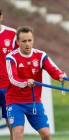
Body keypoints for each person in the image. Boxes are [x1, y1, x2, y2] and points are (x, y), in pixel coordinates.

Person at [5, 26, 66, 140]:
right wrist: (25, 83)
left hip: (34, 101)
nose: (27, 44)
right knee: (17, 134)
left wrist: (60, 76)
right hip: (15, 101)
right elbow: (13, 78)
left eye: (29, 40)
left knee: (46, 134)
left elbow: (54, 70)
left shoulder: (41, 55)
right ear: (18, 42)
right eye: (23, 41)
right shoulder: (11, 57)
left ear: (33, 39)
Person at [0, 9, 18, 140]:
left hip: (7, 85)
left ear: (1, 17)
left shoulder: (12, 34)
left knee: (10, 121)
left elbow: (21, 57)